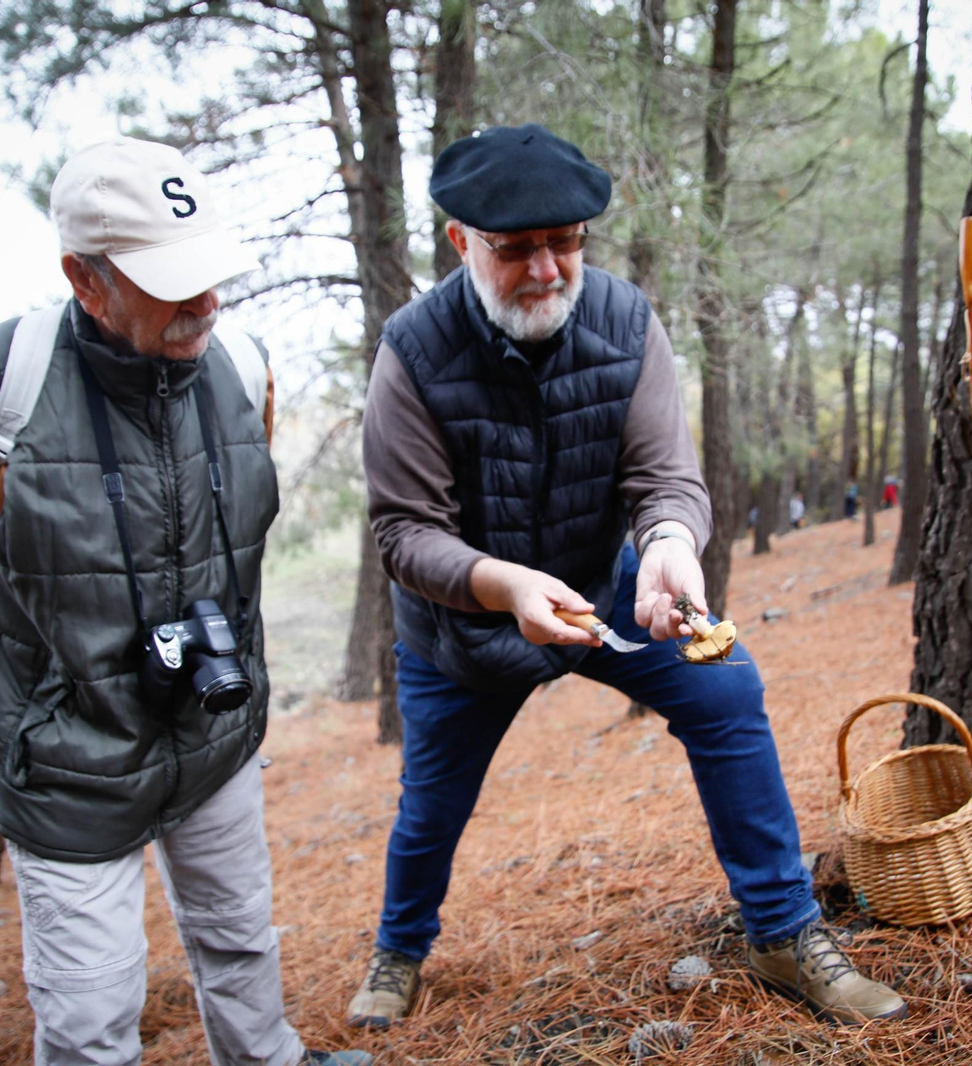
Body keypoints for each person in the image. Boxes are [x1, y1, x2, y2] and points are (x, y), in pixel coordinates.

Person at [347, 124, 906, 1031]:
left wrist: (672, 548)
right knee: (429, 810)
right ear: (460, 242)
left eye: (564, 242)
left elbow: (664, 478)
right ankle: (398, 949)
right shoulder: (412, 352)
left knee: (727, 688)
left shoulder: (624, 320)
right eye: (514, 249)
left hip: (603, 586)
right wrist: (504, 587)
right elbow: (407, 535)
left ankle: (781, 929)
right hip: (464, 624)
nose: (544, 270)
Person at [0, 137, 369, 1066]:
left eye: (211, 275)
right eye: (172, 282)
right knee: (90, 1018)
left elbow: (239, 526)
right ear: (85, 279)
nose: (205, 302)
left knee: (241, 942)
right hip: (70, 761)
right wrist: (67, 673)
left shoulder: (242, 365)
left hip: (213, 732)